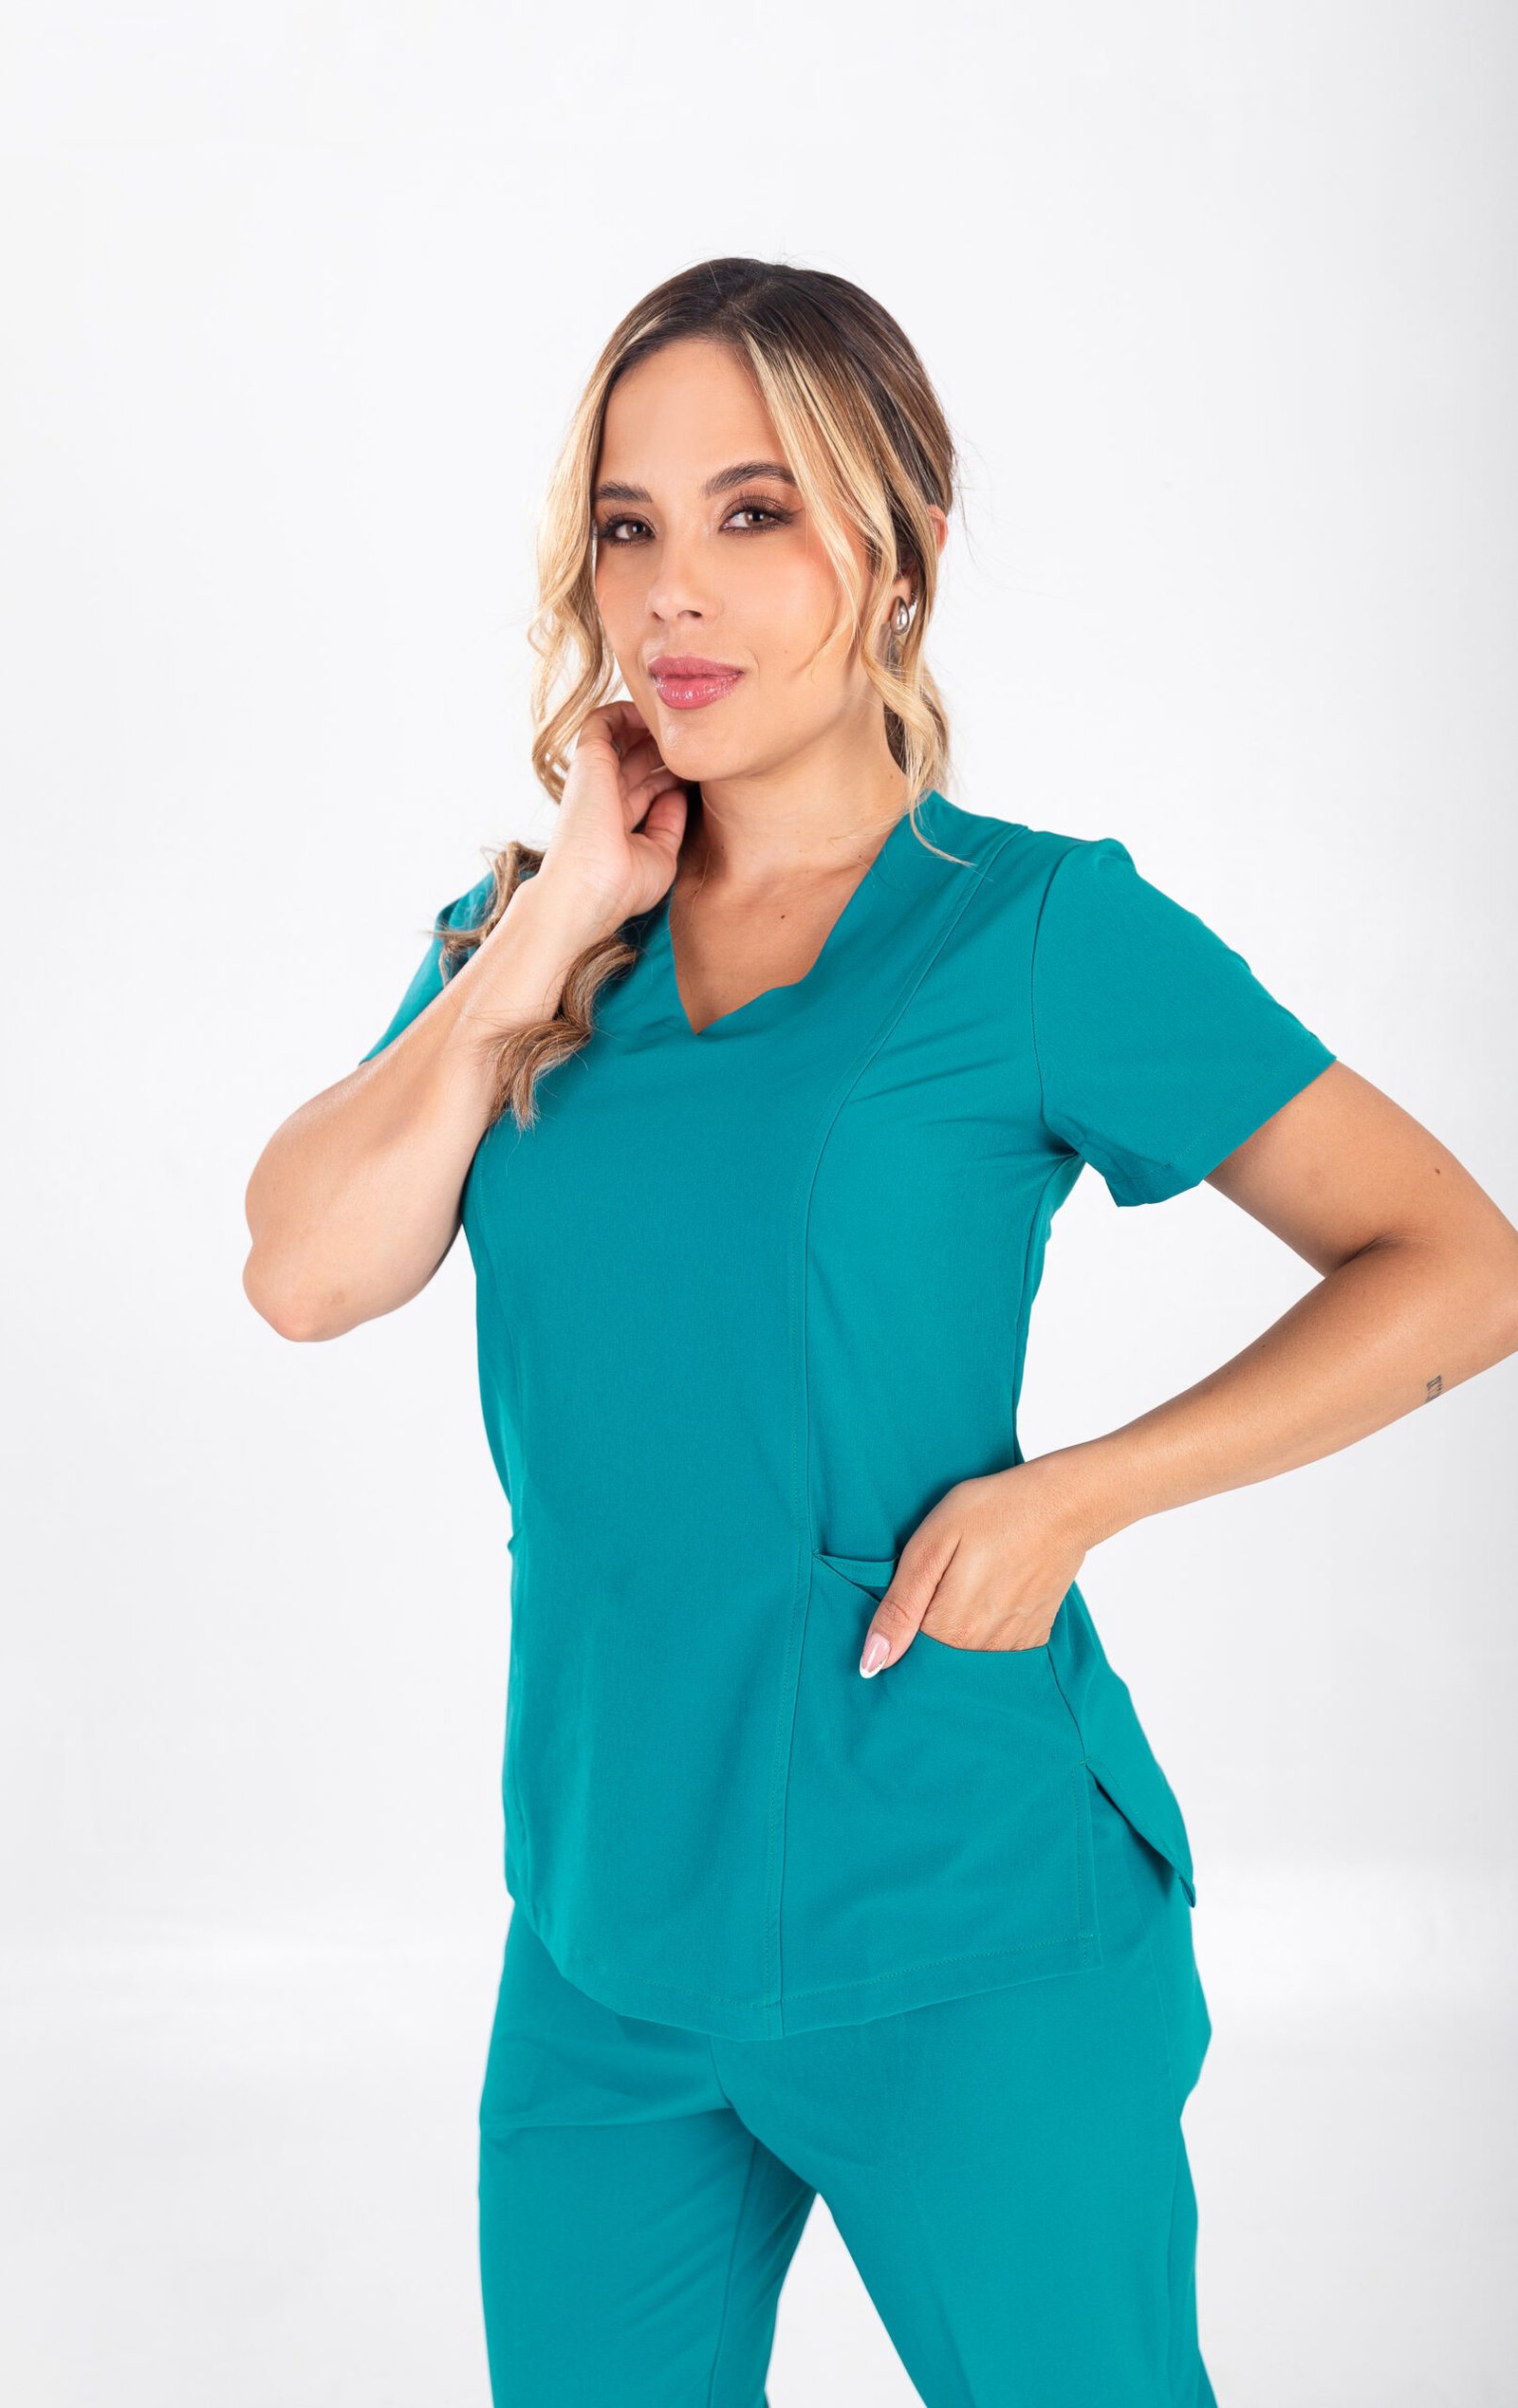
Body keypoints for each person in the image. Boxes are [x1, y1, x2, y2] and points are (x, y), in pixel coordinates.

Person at [242, 258, 1518, 2408]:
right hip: (604, 1939)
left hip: (963, 1923)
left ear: (899, 549)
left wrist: (1075, 1499)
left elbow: (1455, 1261)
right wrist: (546, 929)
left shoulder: (1034, 932)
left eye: (752, 513)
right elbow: (303, 1272)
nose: (673, 588)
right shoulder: (528, 943)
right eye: (629, 525)